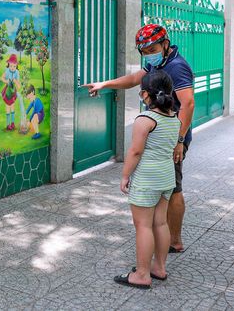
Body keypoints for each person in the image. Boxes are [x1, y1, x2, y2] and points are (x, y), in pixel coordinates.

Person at [84, 24, 194, 253]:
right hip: (159, 135)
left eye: (152, 49)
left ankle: (174, 240)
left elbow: (188, 104)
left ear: (165, 44)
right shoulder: (159, 63)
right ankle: (161, 232)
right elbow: (135, 78)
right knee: (164, 186)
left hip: (170, 138)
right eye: (144, 52)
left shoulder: (177, 66)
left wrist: (179, 140)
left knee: (174, 188)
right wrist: (105, 84)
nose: (148, 55)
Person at [114, 70, 179, 289]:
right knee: (160, 222)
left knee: (143, 226)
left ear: (144, 94)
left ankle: (142, 274)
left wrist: (125, 175)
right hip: (166, 177)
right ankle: (159, 267)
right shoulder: (174, 118)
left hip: (147, 178)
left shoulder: (145, 120)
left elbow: (135, 152)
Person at [0, 54, 21, 131]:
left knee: (12, 107)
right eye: (11, 66)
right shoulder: (7, 71)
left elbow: (19, 86)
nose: (12, 68)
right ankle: (8, 124)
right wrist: (6, 81)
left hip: (13, 91)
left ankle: (12, 123)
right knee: (7, 107)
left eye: (14, 66)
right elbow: (2, 78)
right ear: (8, 64)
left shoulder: (17, 72)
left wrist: (16, 81)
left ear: (16, 66)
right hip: (7, 91)